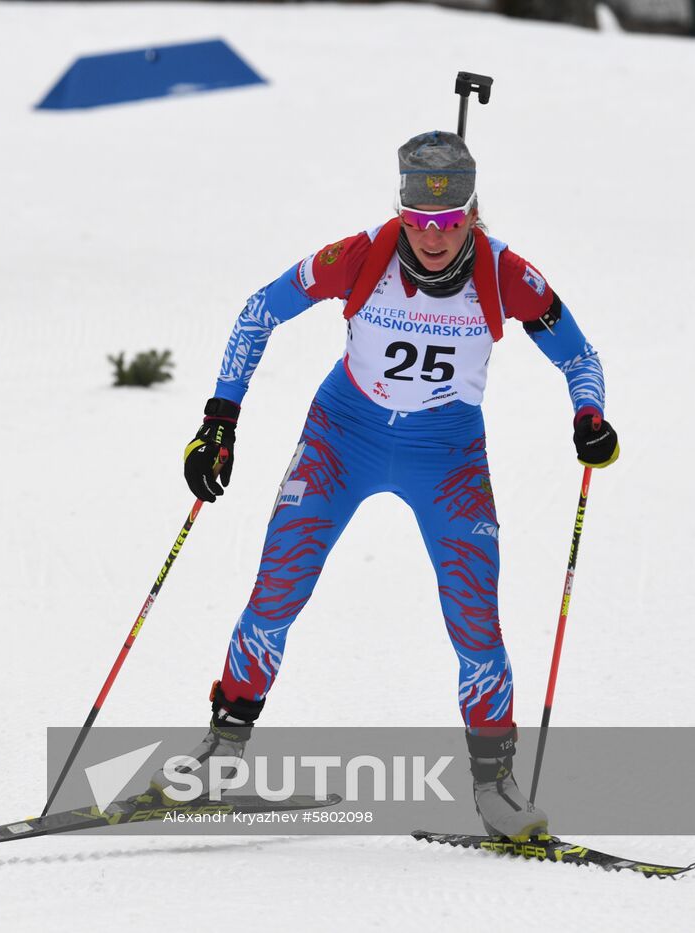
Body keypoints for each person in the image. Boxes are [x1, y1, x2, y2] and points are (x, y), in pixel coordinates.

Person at [177, 131, 618, 840]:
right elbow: (260, 310)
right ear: (401, 211)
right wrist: (219, 420)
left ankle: (496, 786)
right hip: (341, 438)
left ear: (473, 214)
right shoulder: (359, 255)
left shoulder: (507, 274)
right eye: (418, 220)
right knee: (277, 588)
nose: (433, 237)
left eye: (449, 222)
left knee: (475, 620)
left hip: (445, 456)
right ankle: (221, 751)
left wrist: (590, 416)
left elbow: (580, 355)